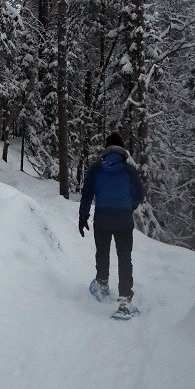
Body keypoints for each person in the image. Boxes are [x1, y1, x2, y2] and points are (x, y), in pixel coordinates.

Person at [79, 131, 145, 318]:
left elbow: (87, 194)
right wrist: (128, 207)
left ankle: (102, 284)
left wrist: (83, 216)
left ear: (106, 149)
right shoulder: (129, 170)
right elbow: (140, 193)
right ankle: (125, 300)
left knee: (102, 252)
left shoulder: (97, 169)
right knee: (125, 258)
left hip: (102, 219)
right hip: (124, 220)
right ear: (122, 149)